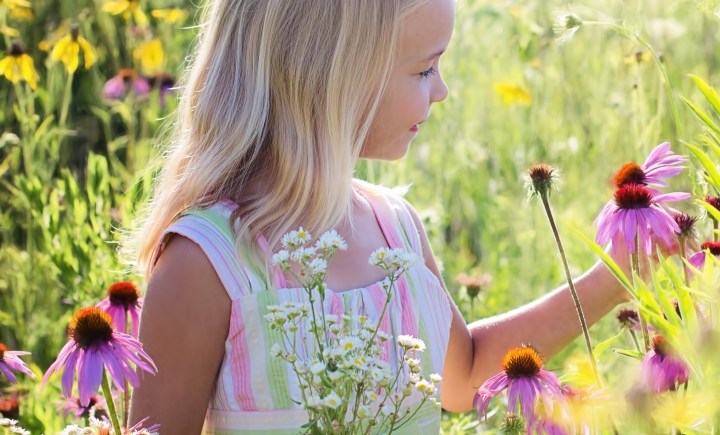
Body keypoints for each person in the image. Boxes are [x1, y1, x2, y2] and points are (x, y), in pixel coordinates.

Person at [125, 0, 631, 432]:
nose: (441, 90)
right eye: (424, 69)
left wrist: (616, 277)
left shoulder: (396, 231)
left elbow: (466, 375)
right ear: (331, 75)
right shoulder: (209, 265)